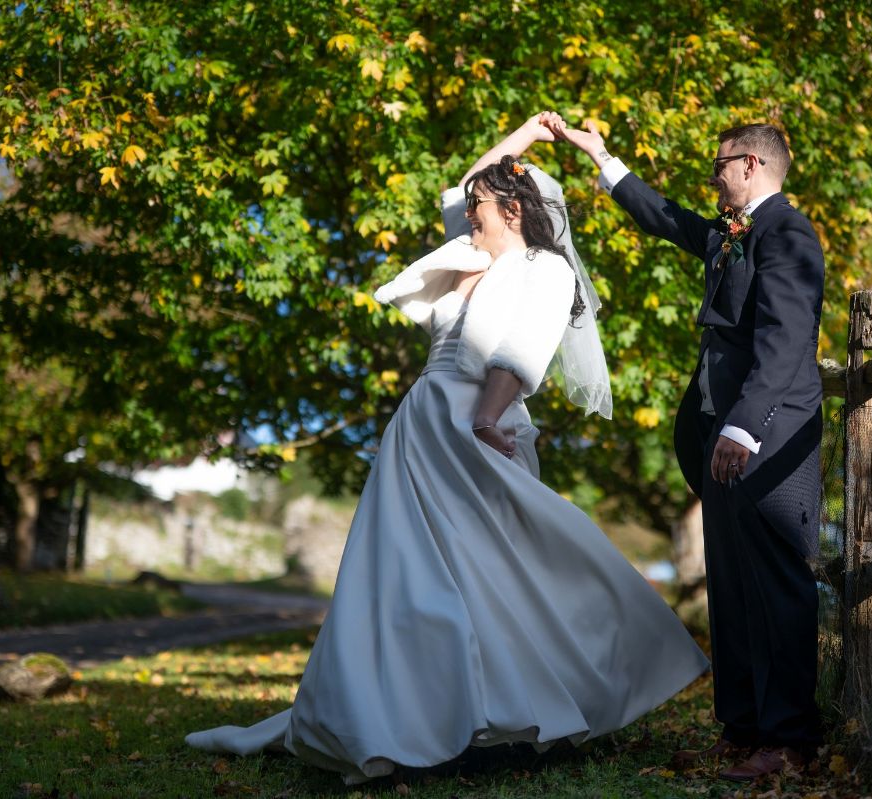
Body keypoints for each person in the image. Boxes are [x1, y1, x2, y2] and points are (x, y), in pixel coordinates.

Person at [184, 115, 709, 785]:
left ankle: (520, 714)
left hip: (478, 433)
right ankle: (394, 718)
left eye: (480, 209)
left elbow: (521, 351)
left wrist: (489, 418)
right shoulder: (472, 256)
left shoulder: (542, 270)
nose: (468, 215)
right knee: (404, 579)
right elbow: (464, 182)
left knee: (499, 579)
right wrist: (525, 135)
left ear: (514, 210)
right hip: (421, 432)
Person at [553, 116, 825, 781]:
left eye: (719, 165)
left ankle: (788, 741)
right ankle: (741, 730)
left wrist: (742, 427)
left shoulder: (787, 233)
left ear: (752, 166)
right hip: (720, 442)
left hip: (768, 442)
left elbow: (786, 341)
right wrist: (602, 157)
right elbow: (666, 217)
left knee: (778, 589)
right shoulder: (733, 233)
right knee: (731, 590)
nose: (712, 177)